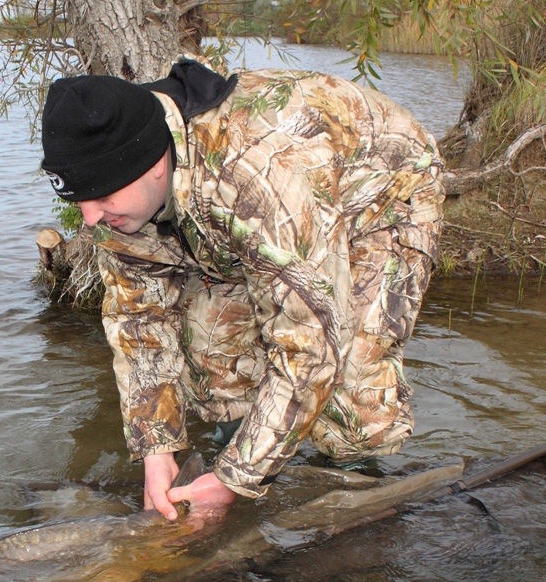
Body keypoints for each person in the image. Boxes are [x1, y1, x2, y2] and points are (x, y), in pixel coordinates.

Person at [40, 57, 444, 521]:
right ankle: (240, 445)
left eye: (104, 197)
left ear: (153, 166)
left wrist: (238, 479)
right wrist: (156, 451)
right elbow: (140, 323)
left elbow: (309, 346)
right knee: (213, 352)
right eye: (77, 201)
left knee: (351, 406)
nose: (89, 219)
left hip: (380, 197)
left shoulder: (258, 178)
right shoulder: (117, 202)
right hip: (244, 222)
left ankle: (352, 485)